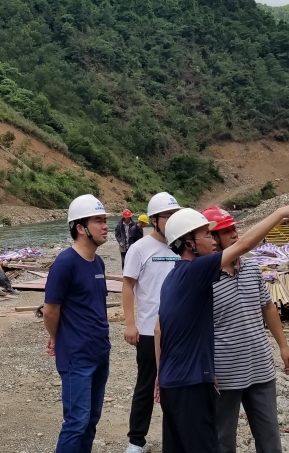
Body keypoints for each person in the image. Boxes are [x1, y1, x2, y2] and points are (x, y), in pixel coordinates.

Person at [155, 204, 289, 453]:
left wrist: (160, 373)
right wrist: (280, 213)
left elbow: (163, 329)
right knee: (217, 443)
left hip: (183, 380)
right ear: (188, 243)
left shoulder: (174, 278)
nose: (212, 240)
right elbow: (246, 245)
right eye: (207, 234)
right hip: (199, 381)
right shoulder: (198, 272)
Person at [202, 206, 289, 453]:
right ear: (212, 238)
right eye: (226, 231)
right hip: (224, 373)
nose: (234, 234)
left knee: (270, 439)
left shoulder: (252, 269)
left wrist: (283, 346)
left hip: (260, 367)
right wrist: (206, 368)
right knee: (222, 440)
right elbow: (196, 330)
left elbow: (268, 307)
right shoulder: (203, 278)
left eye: (234, 228)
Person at [43, 194, 111, 453]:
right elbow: (50, 311)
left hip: (100, 352)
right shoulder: (65, 263)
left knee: (91, 421)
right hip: (77, 357)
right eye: (98, 221)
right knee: (76, 423)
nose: (105, 226)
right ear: (81, 228)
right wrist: (57, 337)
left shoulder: (98, 262)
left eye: (105, 220)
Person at [121, 192, 181, 453]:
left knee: (178, 387)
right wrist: (130, 324)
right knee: (146, 386)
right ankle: (136, 441)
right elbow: (127, 286)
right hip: (147, 330)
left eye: (176, 215)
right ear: (155, 220)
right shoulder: (140, 249)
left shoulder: (182, 247)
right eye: (169, 216)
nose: (174, 221)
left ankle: (177, 439)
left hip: (179, 331)